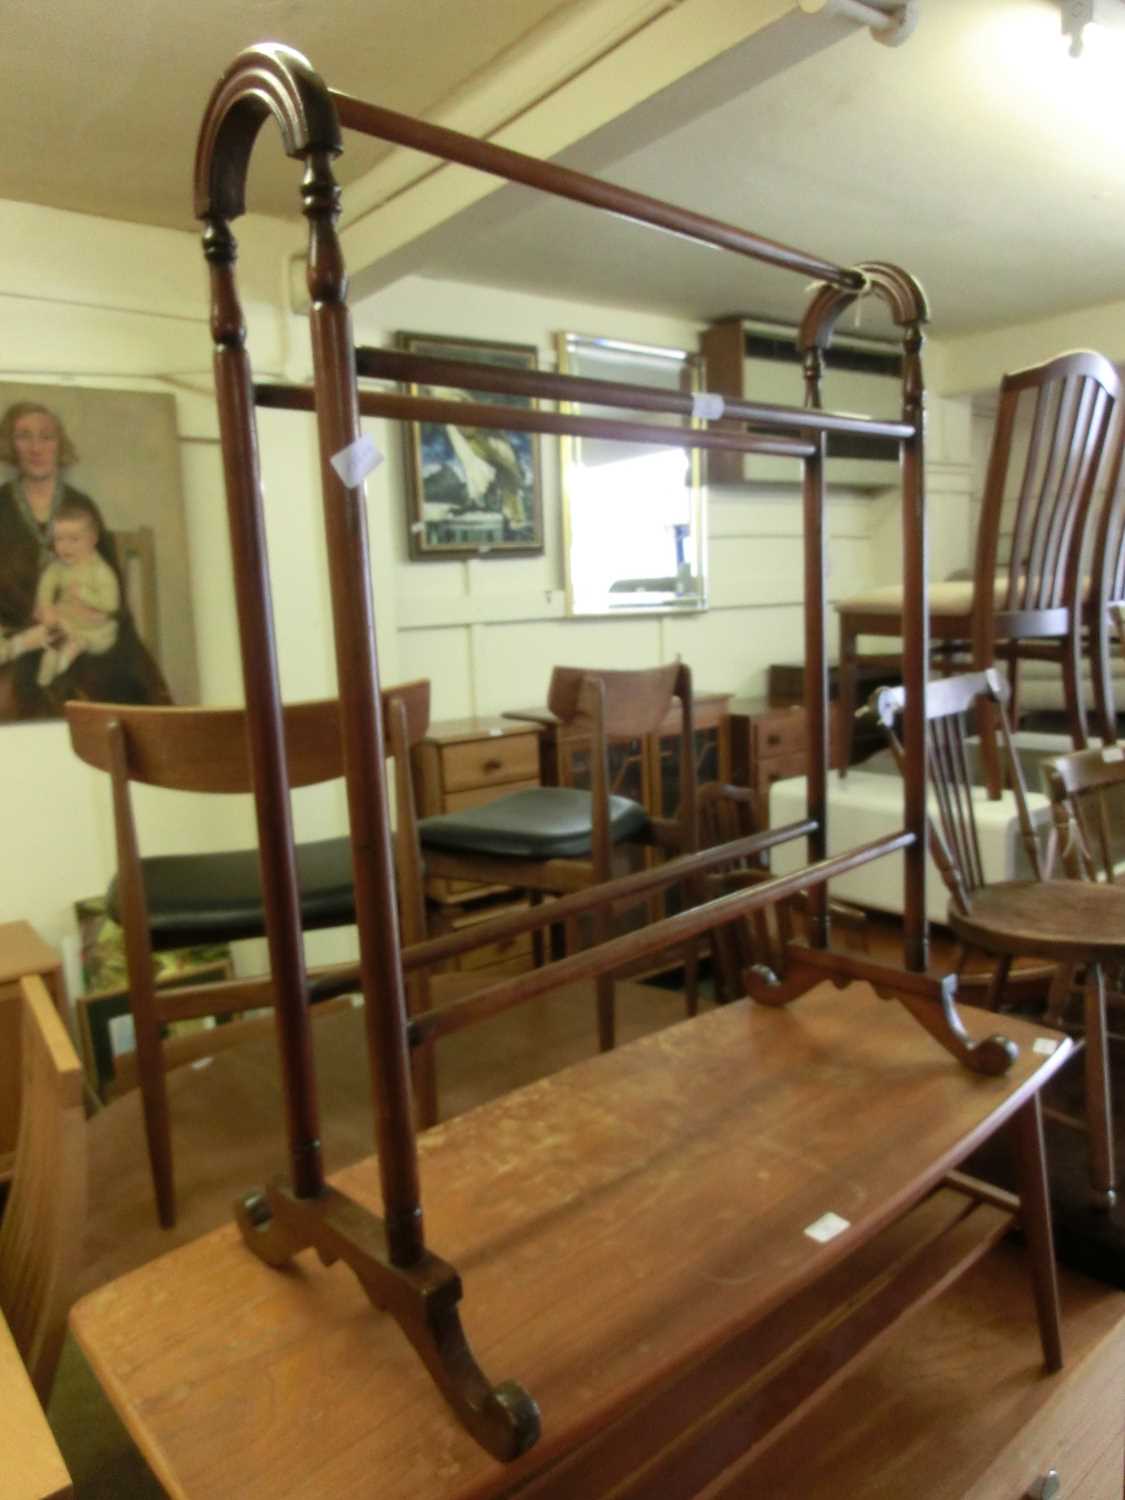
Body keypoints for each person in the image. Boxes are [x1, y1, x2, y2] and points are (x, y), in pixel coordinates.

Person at [0, 400, 171, 719]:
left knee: (118, 685)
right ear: (11, 444)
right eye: (24, 436)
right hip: (18, 627)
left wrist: (89, 608)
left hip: (84, 624)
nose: (36, 447)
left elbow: (110, 581)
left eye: (46, 437)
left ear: (59, 445)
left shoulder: (81, 505)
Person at [34, 499, 120, 688]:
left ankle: (60, 665)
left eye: (73, 539)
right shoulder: (58, 567)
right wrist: (46, 605)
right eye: (59, 539)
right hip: (67, 619)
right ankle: (47, 660)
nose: (65, 547)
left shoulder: (100, 570)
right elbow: (46, 585)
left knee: (76, 641)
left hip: (93, 626)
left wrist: (84, 593)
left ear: (92, 540)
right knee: (52, 631)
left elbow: (111, 603)